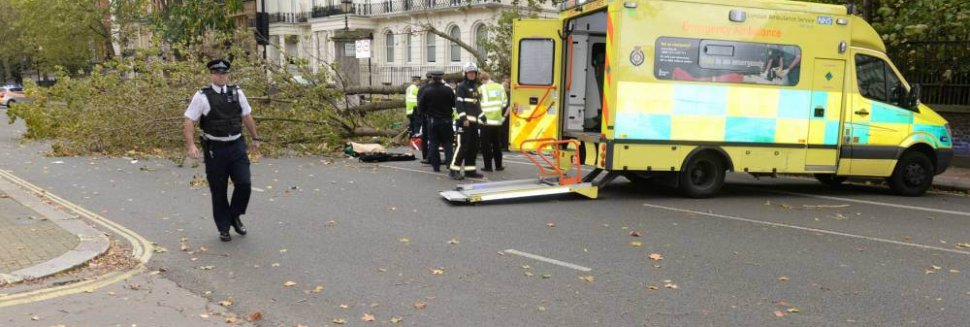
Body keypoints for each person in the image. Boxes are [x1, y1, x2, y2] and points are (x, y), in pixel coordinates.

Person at [183, 59, 260, 242]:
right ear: (211, 74)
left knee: (244, 183)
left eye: (224, 73)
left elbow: (246, 115)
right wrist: (191, 145)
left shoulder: (237, 92)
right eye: (217, 73)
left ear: (227, 74)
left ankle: (234, 215)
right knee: (219, 190)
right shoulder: (202, 96)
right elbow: (188, 120)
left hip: (236, 145)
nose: (221, 76)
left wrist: (255, 137)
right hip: (215, 149)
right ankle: (224, 227)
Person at [417, 71, 455, 173]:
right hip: (446, 120)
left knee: (434, 143)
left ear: (432, 79)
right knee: (448, 143)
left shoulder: (427, 91)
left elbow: (421, 107)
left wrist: (427, 114)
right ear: (441, 78)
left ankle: (436, 166)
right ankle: (449, 164)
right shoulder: (448, 90)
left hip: (433, 121)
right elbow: (454, 104)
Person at [451, 63, 484, 180]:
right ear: (465, 74)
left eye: (473, 73)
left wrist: (482, 116)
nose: (471, 75)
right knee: (462, 146)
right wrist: (463, 118)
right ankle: (454, 170)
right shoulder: (461, 87)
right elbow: (459, 104)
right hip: (464, 123)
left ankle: (470, 170)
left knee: (473, 146)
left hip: (474, 123)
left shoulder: (475, 87)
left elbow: (476, 105)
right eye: (469, 73)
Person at [478, 72, 508, 171]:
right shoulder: (500, 87)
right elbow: (504, 103)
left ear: (482, 80)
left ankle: (488, 167)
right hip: (497, 121)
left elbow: (477, 104)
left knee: (486, 145)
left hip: (485, 121)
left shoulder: (481, 88)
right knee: (497, 144)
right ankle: (499, 166)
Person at [500, 76, 511, 151]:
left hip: (506, 114)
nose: (507, 84)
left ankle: (505, 146)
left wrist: (504, 116)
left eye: (508, 82)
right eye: (506, 82)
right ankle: (501, 145)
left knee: (505, 130)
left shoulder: (510, 93)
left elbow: (510, 105)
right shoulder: (499, 91)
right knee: (500, 130)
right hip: (498, 113)